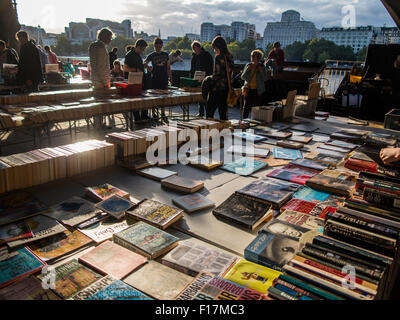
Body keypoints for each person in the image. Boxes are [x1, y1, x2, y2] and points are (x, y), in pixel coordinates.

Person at [206, 36, 234, 120]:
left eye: (214, 48)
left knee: (209, 112)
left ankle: (208, 130)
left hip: (216, 88)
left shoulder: (218, 57)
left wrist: (209, 80)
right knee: (223, 112)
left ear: (217, 46)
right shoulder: (230, 56)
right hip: (226, 88)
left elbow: (217, 74)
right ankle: (224, 130)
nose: (214, 50)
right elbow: (231, 73)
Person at [144, 38, 172, 120]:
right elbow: (145, 62)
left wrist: (170, 77)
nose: (158, 48)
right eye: (157, 46)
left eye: (160, 46)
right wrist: (149, 69)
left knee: (164, 97)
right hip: (155, 78)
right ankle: (154, 113)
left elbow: (168, 67)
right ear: (154, 46)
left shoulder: (166, 55)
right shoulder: (151, 55)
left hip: (164, 77)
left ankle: (163, 113)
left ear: (162, 46)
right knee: (155, 96)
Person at [124, 38, 149, 121]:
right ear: (138, 47)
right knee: (136, 100)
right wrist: (136, 70)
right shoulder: (129, 55)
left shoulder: (137, 55)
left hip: (140, 80)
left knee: (144, 98)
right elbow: (125, 68)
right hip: (133, 81)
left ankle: (144, 116)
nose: (143, 51)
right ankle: (137, 119)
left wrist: (143, 66)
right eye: (142, 49)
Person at [241, 49, 267, 119]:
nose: (251, 57)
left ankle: (255, 120)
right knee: (246, 107)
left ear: (258, 58)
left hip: (258, 90)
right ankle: (244, 120)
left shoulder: (262, 66)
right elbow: (243, 77)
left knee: (256, 107)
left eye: (253, 56)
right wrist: (248, 69)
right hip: (248, 89)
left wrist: (261, 71)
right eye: (251, 56)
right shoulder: (248, 65)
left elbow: (265, 79)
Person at [190, 40, 213, 117]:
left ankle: (208, 113)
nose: (195, 50)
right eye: (194, 49)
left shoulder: (206, 54)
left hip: (206, 78)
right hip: (197, 78)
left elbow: (210, 66)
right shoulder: (194, 56)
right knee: (200, 96)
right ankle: (201, 112)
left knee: (206, 96)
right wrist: (192, 78)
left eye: (196, 49)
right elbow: (192, 68)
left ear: (199, 47)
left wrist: (207, 76)